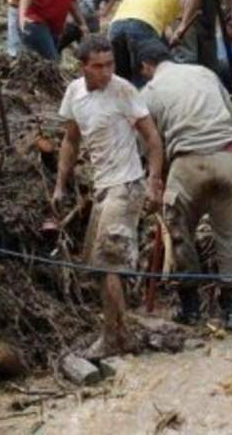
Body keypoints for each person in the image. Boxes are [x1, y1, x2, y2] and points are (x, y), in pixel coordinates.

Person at [53, 35, 165, 358]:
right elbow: (70, 142)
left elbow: (153, 139)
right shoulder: (74, 92)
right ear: (83, 66)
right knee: (96, 265)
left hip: (127, 183)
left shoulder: (123, 91)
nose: (105, 72)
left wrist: (154, 181)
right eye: (98, 66)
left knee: (109, 261)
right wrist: (61, 183)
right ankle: (117, 329)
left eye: (110, 64)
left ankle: (116, 337)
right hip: (102, 186)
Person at [136, 40, 232, 332]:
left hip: (187, 163)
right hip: (228, 157)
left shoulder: (149, 91)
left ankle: (190, 311)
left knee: (178, 233)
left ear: (146, 67)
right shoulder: (204, 73)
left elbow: (151, 144)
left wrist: (154, 181)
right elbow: (231, 112)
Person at [108, 0, 202, 86]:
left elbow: (162, 28)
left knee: (123, 79)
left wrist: (173, 36)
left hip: (116, 26)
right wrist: (183, 25)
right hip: (141, 25)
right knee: (154, 73)